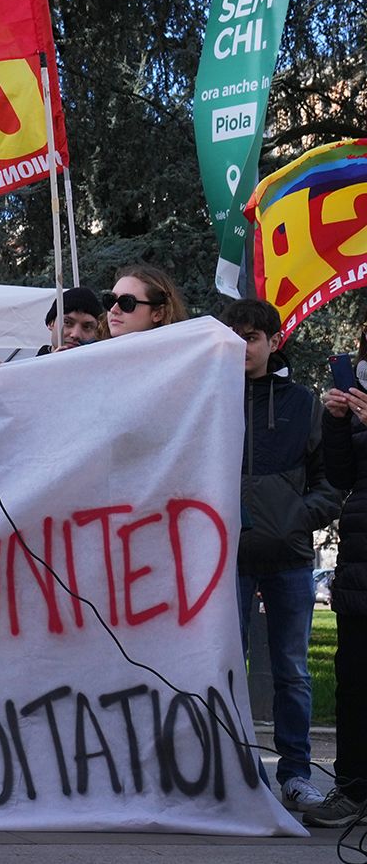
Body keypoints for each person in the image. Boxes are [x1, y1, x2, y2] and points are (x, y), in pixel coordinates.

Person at [216, 299, 335, 814]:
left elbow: (332, 481)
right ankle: (235, 773)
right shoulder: (209, 398)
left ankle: (295, 775)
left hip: (289, 557)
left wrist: (296, 519)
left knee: (292, 671)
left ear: (272, 341)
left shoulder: (303, 404)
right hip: (226, 559)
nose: (244, 346)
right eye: (236, 336)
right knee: (225, 669)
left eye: (253, 338)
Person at [316, 321, 367, 827]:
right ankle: (352, 788)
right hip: (359, 570)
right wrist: (335, 421)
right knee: (354, 681)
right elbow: (341, 476)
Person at [104, 265, 188, 337]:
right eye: (110, 301)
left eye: (126, 302)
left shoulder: (183, 354)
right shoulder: (93, 352)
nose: (113, 310)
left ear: (158, 314)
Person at [36, 287, 107, 355]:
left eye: (87, 327)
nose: (76, 334)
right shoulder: (31, 366)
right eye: (67, 322)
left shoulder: (106, 365)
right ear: (51, 323)